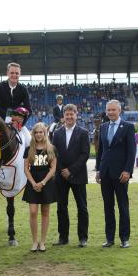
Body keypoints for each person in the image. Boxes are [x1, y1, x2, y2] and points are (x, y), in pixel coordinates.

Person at [95, 99, 136, 249]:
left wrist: (128, 170)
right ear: (106, 111)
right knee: (108, 207)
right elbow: (101, 151)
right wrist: (98, 169)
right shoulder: (104, 127)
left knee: (123, 207)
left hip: (121, 174)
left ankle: (124, 238)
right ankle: (109, 238)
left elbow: (132, 152)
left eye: (113, 110)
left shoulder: (128, 127)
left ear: (119, 111)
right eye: (109, 110)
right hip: (105, 173)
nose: (111, 112)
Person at [51, 104, 90, 247]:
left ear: (76, 115)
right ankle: (63, 237)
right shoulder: (57, 133)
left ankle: (83, 238)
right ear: (63, 116)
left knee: (82, 207)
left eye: (71, 114)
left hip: (78, 175)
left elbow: (85, 154)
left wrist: (71, 170)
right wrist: (62, 170)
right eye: (66, 114)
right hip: (61, 176)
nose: (69, 117)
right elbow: (54, 154)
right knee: (61, 207)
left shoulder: (83, 132)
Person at [23, 123, 57, 252]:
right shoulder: (29, 149)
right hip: (32, 182)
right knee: (33, 212)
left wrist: (43, 182)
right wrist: (33, 183)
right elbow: (26, 168)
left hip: (46, 182)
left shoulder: (51, 148)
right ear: (33, 134)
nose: (38, 134)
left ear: (45, 133)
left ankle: (42, 242)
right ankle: (34, 241)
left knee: (45, 212)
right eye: (36, 132)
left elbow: (53, 168)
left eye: (41, 132)